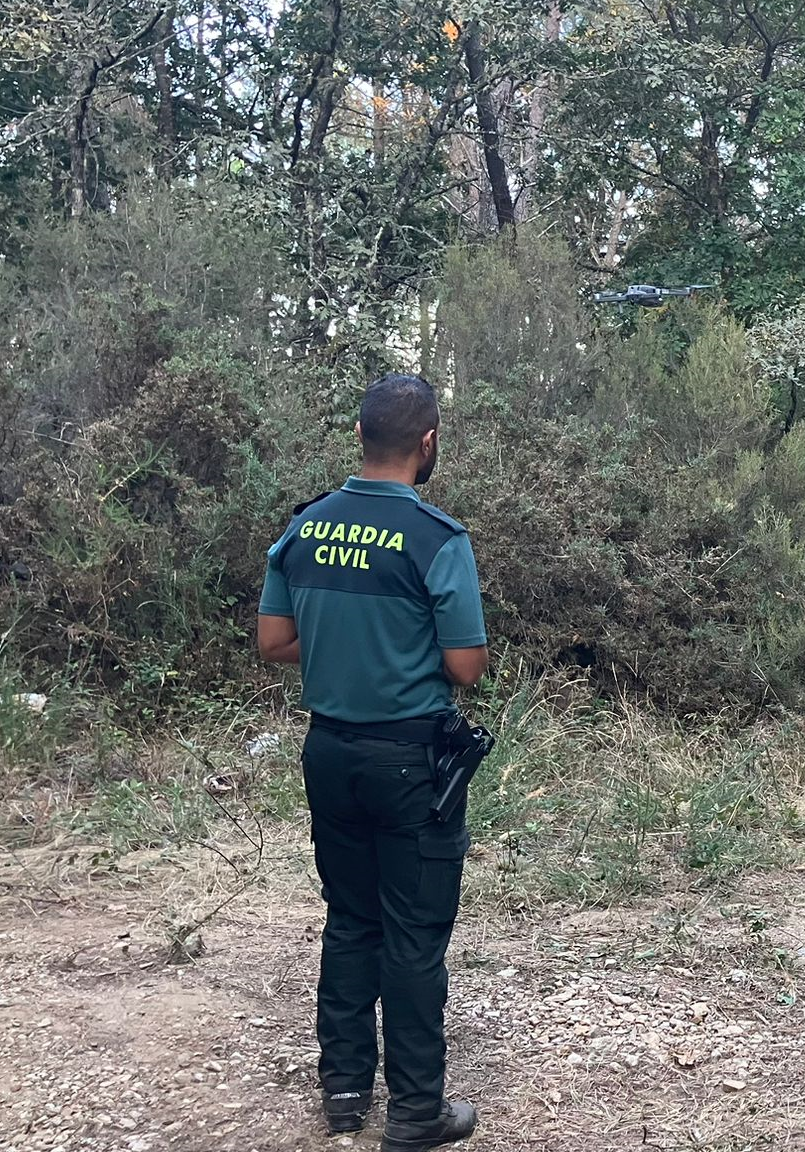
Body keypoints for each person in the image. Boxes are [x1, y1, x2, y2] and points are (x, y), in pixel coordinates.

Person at [256, 373, 487, 1152]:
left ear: (359, 436)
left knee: (351, 920)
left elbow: (274, 645)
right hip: (411, 760)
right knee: (414, 933)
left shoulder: (304, 530)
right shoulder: (436, 538)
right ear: (428, 445)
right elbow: (465, 666)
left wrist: (343, 646)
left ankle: (346, 1091)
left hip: (328, 753)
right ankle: (418, 1112)